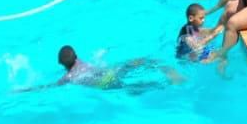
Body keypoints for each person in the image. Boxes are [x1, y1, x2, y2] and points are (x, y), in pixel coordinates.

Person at [26, 45, 182, 92]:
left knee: (131, 88)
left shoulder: (69, 78)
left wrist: (25, 89)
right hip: (108, 72)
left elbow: (48, 86)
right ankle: (163, 68)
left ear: (61, 64)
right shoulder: (81, 61)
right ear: (76, 56)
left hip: (104, 84)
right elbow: (95, 62)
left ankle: (163, 85)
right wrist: (102, 53)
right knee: (132, 63)